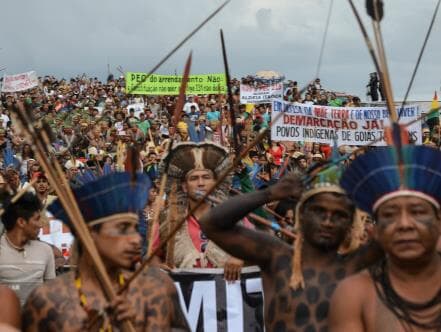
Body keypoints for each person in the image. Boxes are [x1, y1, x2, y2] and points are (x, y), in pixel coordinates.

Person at [200, 166, 380, 331]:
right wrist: (271, 193)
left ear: (350, 223)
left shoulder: (358, 265)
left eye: (339, 215)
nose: (327, 222)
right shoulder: (276, 256)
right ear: (301, 214)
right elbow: (212, 224)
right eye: (318, 211)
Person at [22, 172, 189, 331]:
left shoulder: (158, 288)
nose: (136, 239)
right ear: (90, 234)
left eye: (135, 228)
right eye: (122, 229)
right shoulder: (48, 299)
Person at [330, 145, 441, 331]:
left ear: (438, 223)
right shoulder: (354, 294)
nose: (404, 224)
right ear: (376, 232)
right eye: (389, 215)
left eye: (418, 212)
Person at [154, 142, 245, 281]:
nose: (201, 183)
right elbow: (152, 257)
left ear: (215, 183)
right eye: (194, 178)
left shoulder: (233, 217)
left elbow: (258, 248)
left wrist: (239, 258)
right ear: (184, 187)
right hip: (183, 298)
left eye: (206, 177)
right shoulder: (167, 219)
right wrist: (159, 267)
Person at [0, 192, 55, 306]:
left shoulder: (45, 250)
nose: (41, 225)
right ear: (21, 222)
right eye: (37, 219)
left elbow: (53, 293)